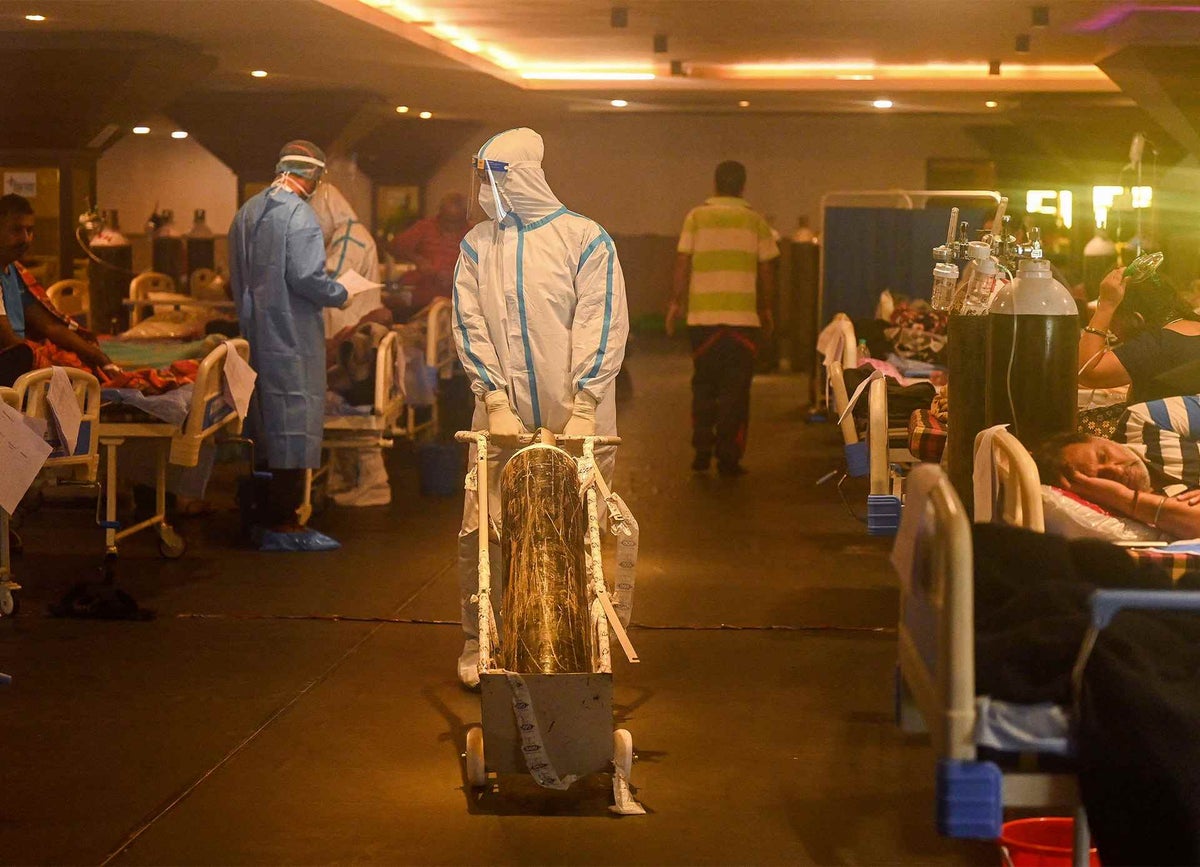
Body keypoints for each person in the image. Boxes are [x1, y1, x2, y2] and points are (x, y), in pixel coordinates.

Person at [452, 127, 629, 688]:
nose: (483, 189)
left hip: (576, 412)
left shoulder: (585, 239)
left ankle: (587, 639)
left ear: (519, 176)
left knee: (584, 530)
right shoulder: (478, 245)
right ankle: (481, 640)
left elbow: (600, 322)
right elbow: (469, 322)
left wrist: (586, 402)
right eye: (480, 177)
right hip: (498, 416)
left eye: (491, 177)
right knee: (485, 529)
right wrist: (493, 397)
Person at [228, 140, 349, 551]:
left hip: (254, 334)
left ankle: (257, 515)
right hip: (293, 338)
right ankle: (285, 522)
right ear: (314, 176)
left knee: (261, 422)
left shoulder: (247, 212)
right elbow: (306, 278)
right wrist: (341, 292)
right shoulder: (300, 216)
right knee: (294, 422)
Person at [666, 160, 779, 475]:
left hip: (703, 321)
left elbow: (682, 262)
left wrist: (675, 304)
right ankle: (729, 457)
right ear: (742, 186)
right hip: (743, 323)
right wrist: (766, 309)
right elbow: (767, 270)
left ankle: (701, 451)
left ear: (715, 184)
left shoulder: (696, 217)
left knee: (703, 386)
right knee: (736, 391)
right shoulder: (756, 222)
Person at [309, 182, 391, 508]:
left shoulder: (349, 240)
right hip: (349, 339)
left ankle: (370, 485)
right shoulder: (348, 237)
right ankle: (352, 480)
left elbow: (327, 284)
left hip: (346, 342)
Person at [0, 193, 118, 383]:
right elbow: (8, 339)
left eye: (29, 231)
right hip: (11, 363)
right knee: (75, 376)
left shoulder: (16, 271)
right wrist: (52, 367)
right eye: (16, 230)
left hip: (24, 355)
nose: (25, 239)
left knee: (88, 366)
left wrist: (100, 358)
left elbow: (50, 325)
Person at [1034, 431, 1200, 539]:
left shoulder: (1147, 428)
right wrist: (1126, 499)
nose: (1115, 469)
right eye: (1100, 477)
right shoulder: (1157, 517)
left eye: (1103, 457)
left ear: (1102, 438)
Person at [1078, 266, 1200, 403]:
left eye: (1112, 320)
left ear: (1136, 320)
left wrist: (1106, 306)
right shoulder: (1190, 327)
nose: (1110, 330)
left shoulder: (1157, 343)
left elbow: (1085, 372)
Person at [390, 192, 470, 314]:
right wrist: (418, 260)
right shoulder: (425, 227)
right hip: (422, 301)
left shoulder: (473, 233)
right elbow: (394, 246)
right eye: (447, 220)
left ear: (465, 217)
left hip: (458, 303)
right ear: (440, 214)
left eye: (456, 222)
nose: (451, 227)